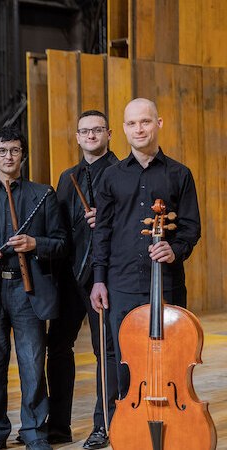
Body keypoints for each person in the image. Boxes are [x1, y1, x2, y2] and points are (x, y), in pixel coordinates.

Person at [90, 98, 201, 400]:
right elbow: (102, 231)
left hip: (167, 284)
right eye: (132, 123)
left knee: (174, 360)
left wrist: (175, 250)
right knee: (124, 363)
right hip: (121, 283)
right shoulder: (111, 176)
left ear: (158, 123)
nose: (139, 129)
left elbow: (191, 227)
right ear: (123, 129)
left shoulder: (180, 174)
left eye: (145, 121)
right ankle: (127, 431)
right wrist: (99, 279)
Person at [0, 126, 67, 450]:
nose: (8, 157)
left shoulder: (43, 194)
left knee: (33, 365)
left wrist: (36, 242)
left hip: (28, 292)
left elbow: (62, 243)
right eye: (1, 151)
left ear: (23, 154)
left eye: (14, 150)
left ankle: (35, 432)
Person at [47, 110, 119, 449]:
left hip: (101, 277)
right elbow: (58, 226)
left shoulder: (121, 174)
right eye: (84, 131)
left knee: (105, 351)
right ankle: (58, 426)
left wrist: (107, 222)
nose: (90, 136)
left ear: (108, 135)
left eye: (97, 130)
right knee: (58, 348)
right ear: (77, 137)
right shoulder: (67, 177)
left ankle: (103, 424)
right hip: (68, 277)